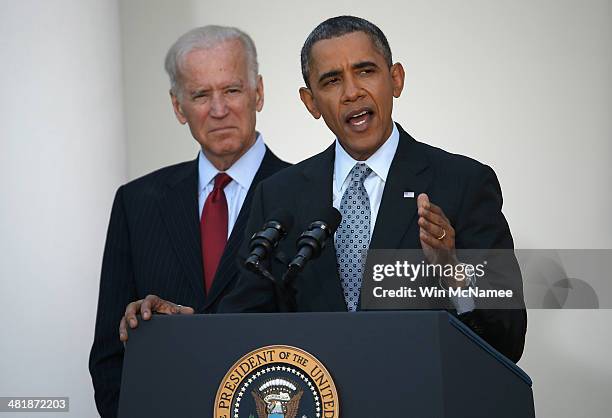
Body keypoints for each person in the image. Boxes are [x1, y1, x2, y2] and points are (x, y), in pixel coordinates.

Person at [217, 16, 527, 362]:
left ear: (396, 79)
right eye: (332, 80)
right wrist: (180, 322)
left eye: (365, 71)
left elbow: (508, 339)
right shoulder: (278, 195)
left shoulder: (463, 183)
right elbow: (241, 321)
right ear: (311, 103)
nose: (352, 92)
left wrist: (451, 270)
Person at [88, 25, 290, 418]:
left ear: (258, 93)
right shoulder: (136, 202)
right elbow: (109, 355)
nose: (218, 109)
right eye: (201, 95)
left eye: (232, 90)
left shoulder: (307, 196)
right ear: (178, 107)